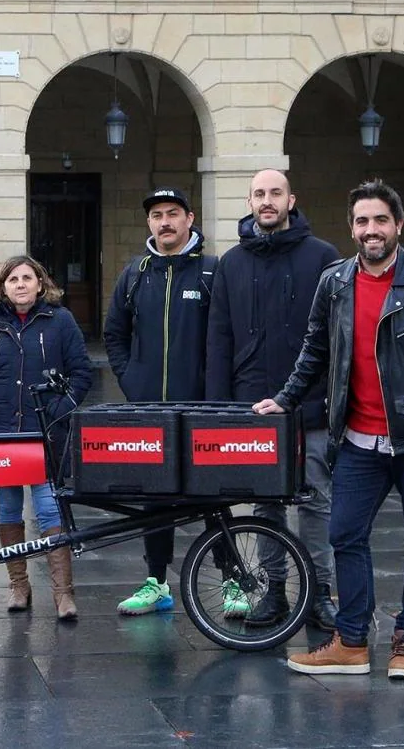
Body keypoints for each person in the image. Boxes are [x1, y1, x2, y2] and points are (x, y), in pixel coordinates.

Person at [255, 179, 404, 681]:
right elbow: (314, 350)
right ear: (351, 228)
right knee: (345, 534)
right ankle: (351, 642)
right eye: (361, 221)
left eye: (379, 220)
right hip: (356, 441)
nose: (370, 230)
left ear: (398, 225)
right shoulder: (336, 282)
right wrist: (285, 399)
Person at [206, 169, 341, 631]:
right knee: (265, 506)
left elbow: (336, 337)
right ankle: (274, 596)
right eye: (260, 194)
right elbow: (219, 338)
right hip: (252, 407)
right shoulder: (232, 263)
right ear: (249, 201)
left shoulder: (323, 257)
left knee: (316, 502)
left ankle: (322, 594)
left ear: (291, 199)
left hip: (312, 405)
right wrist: (219, 407)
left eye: (276, 193)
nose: (267, 201)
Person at [102, 187, 238, 618]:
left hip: (200, 409)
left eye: (173, 213)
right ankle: (156, 583)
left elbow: (228, 339)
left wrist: (215, 394)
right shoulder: (135, 274)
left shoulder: (213, 272)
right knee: (154, 497)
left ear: (189, 219)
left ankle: (233, 580)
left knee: (213, 497)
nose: (165, 221)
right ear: (149, 223)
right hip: (150, 409)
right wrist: (132, 381)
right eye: (157, 215)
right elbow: (114, 334)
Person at [0, 255, 92, 621]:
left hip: (43, 433)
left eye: (27, 278)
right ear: (2, 286)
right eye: (12, 279)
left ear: (40, 283)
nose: (20, 284)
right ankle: (19, 585)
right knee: (7, 509)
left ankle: (63, 593)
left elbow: (81, 373)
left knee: (49, 508)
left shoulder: (59, 320)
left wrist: (61, 408)